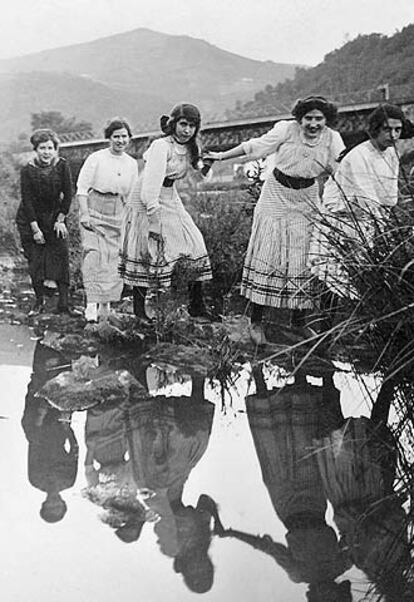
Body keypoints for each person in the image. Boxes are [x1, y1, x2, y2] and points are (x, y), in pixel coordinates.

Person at [206, 96, 345, 344]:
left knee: (303, 258)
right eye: (308, 118)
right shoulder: (285, 129)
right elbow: (254, 147)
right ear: (300, 118)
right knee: (268, 253)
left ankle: (299, 321)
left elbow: (341, 171)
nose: (313, 124)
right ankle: (256, 321)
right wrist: (220, 156)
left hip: (308, 197)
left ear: (326, 120)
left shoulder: (333, 139)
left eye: (318, 119)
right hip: (276, 194)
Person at [118, 103, 213, 322]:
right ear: (173, 124)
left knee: (195, 243)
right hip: (146, 197)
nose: (186, 130)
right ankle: (139, 310)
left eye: (191, 126)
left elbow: (198, 177)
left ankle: (196, 306)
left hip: (170, 195)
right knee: (145, 249)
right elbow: (150, 186)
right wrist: (153, 220)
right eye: (183, 124)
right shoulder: (162, 146)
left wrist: (206, 165)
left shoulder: (190, 148)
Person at [310, 103, 405, 300]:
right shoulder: (359, 155)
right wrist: (383, 226)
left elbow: (389, 195)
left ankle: (361, 324)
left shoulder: (391, 154)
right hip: (340, 221)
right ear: (376, 128)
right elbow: (366, 196)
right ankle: (324, 328)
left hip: (366, 221)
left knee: (360, 275)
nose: (393, 135)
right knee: (332, 275)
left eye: (398, 129)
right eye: (388, 129)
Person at [76, 118, 138, 323]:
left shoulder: (131, 163)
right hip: (94, 207)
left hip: (117, 211)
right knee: (94, 255)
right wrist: (84, 213)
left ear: (129, 138)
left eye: (124, 136)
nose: (120, 140)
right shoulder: (96, 158)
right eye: (116, 136)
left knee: (113, 259)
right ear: (109, 138)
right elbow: (82, 189)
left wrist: (132, 220)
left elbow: (131, 195)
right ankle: (91, 304)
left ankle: (106, 305)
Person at [16, 128, 74, 316]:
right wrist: (35, 229)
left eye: (50, 148)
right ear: (36, 149)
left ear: (55, 149)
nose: (46, 152)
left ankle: (64, 305)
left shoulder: (62, 165)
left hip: (54, 216)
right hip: (30, 218)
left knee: (62, 254)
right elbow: (27, 200)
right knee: (36, 260)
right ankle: (39, 302)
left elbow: (68, 194)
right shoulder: (27, 170)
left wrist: (61, 219)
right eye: (42, 148)